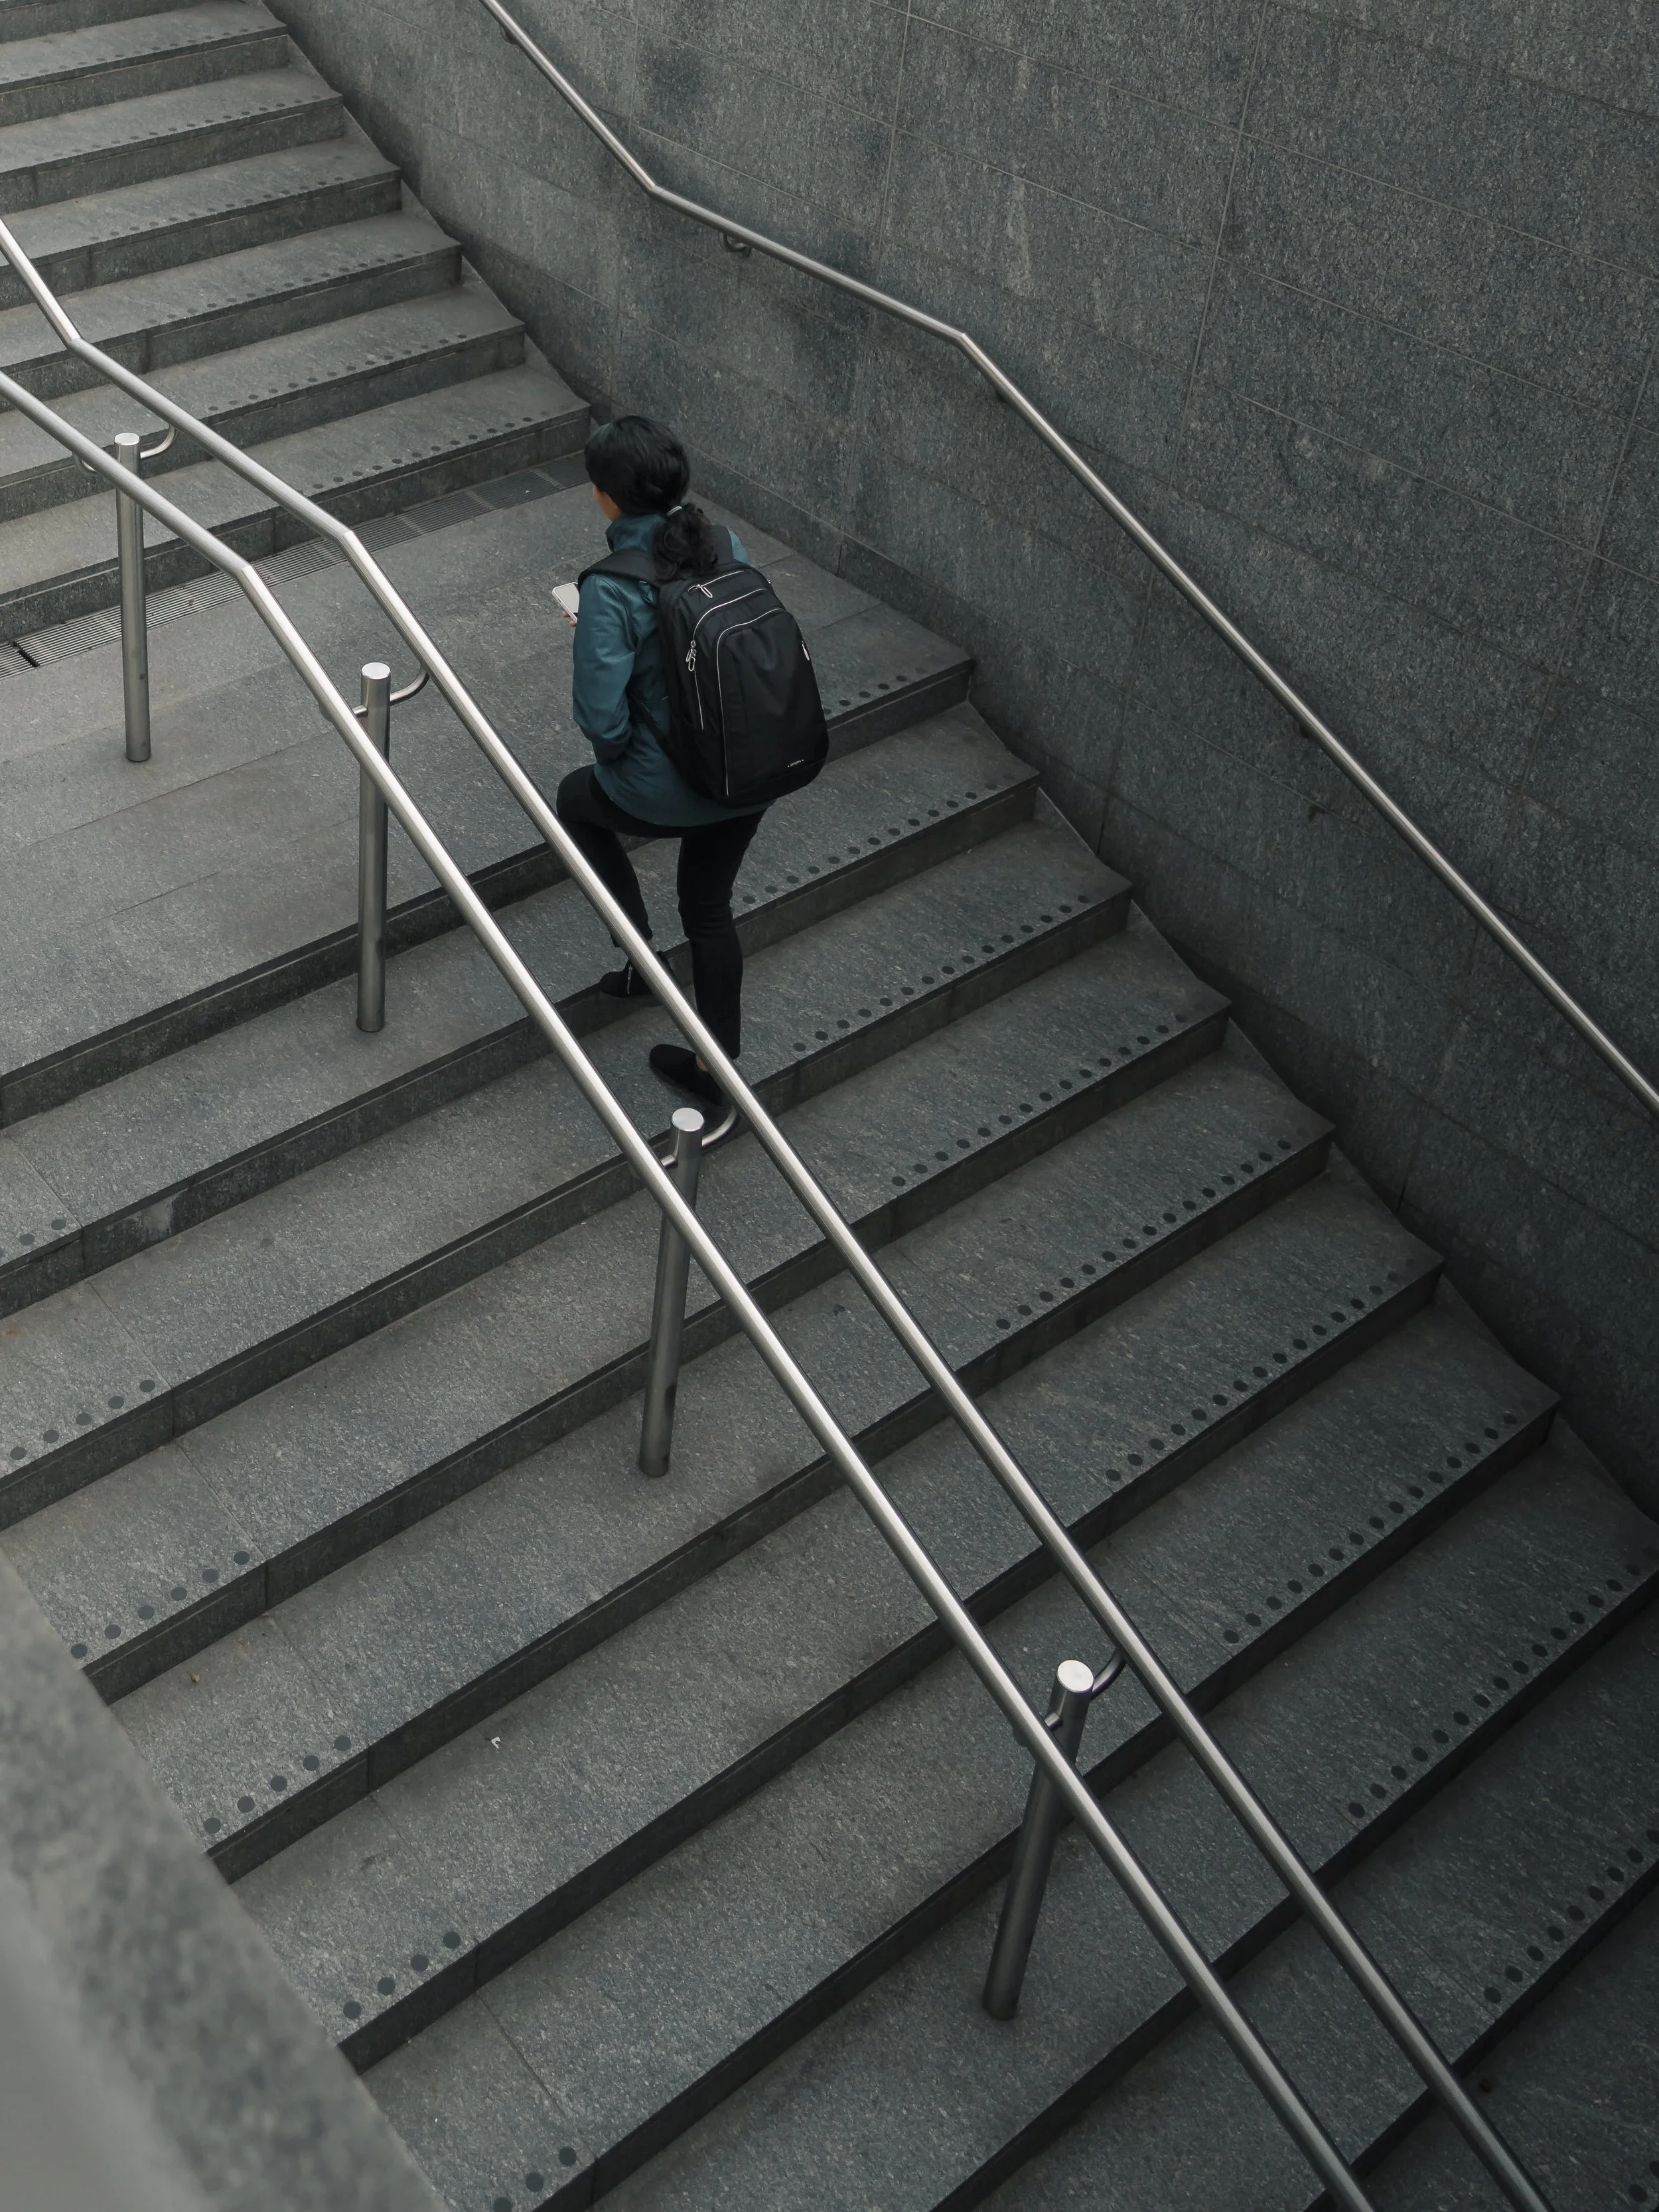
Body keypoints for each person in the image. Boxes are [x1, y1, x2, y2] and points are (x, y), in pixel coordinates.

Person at [555, 415, 763, 1114]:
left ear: (607, 498)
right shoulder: (726, 542)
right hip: (751, 766)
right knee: (708, 907)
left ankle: (640, 954)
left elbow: (601, 720)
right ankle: (719, 1068)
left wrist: (598, 639)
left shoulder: (610, 588)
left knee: (576, 801)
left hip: (669, 786)